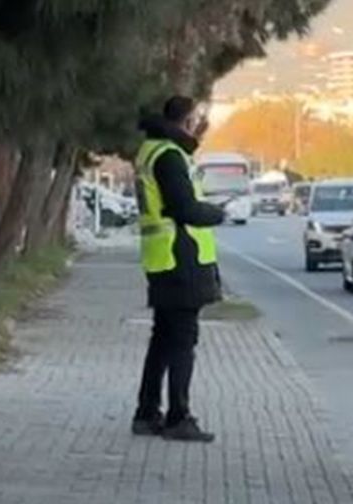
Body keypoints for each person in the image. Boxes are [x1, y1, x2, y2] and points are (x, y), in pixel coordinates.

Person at [131, 96, 225, 443]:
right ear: (186, 121)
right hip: (180, 256)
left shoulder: (149, 151)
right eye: (197, 120)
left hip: (161, 257)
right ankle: (178, 417)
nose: (199, 126)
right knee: (183, 340)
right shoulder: (169, 156)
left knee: (163, 338)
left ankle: (146, 412)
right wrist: (217, 213)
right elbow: (184, 208)